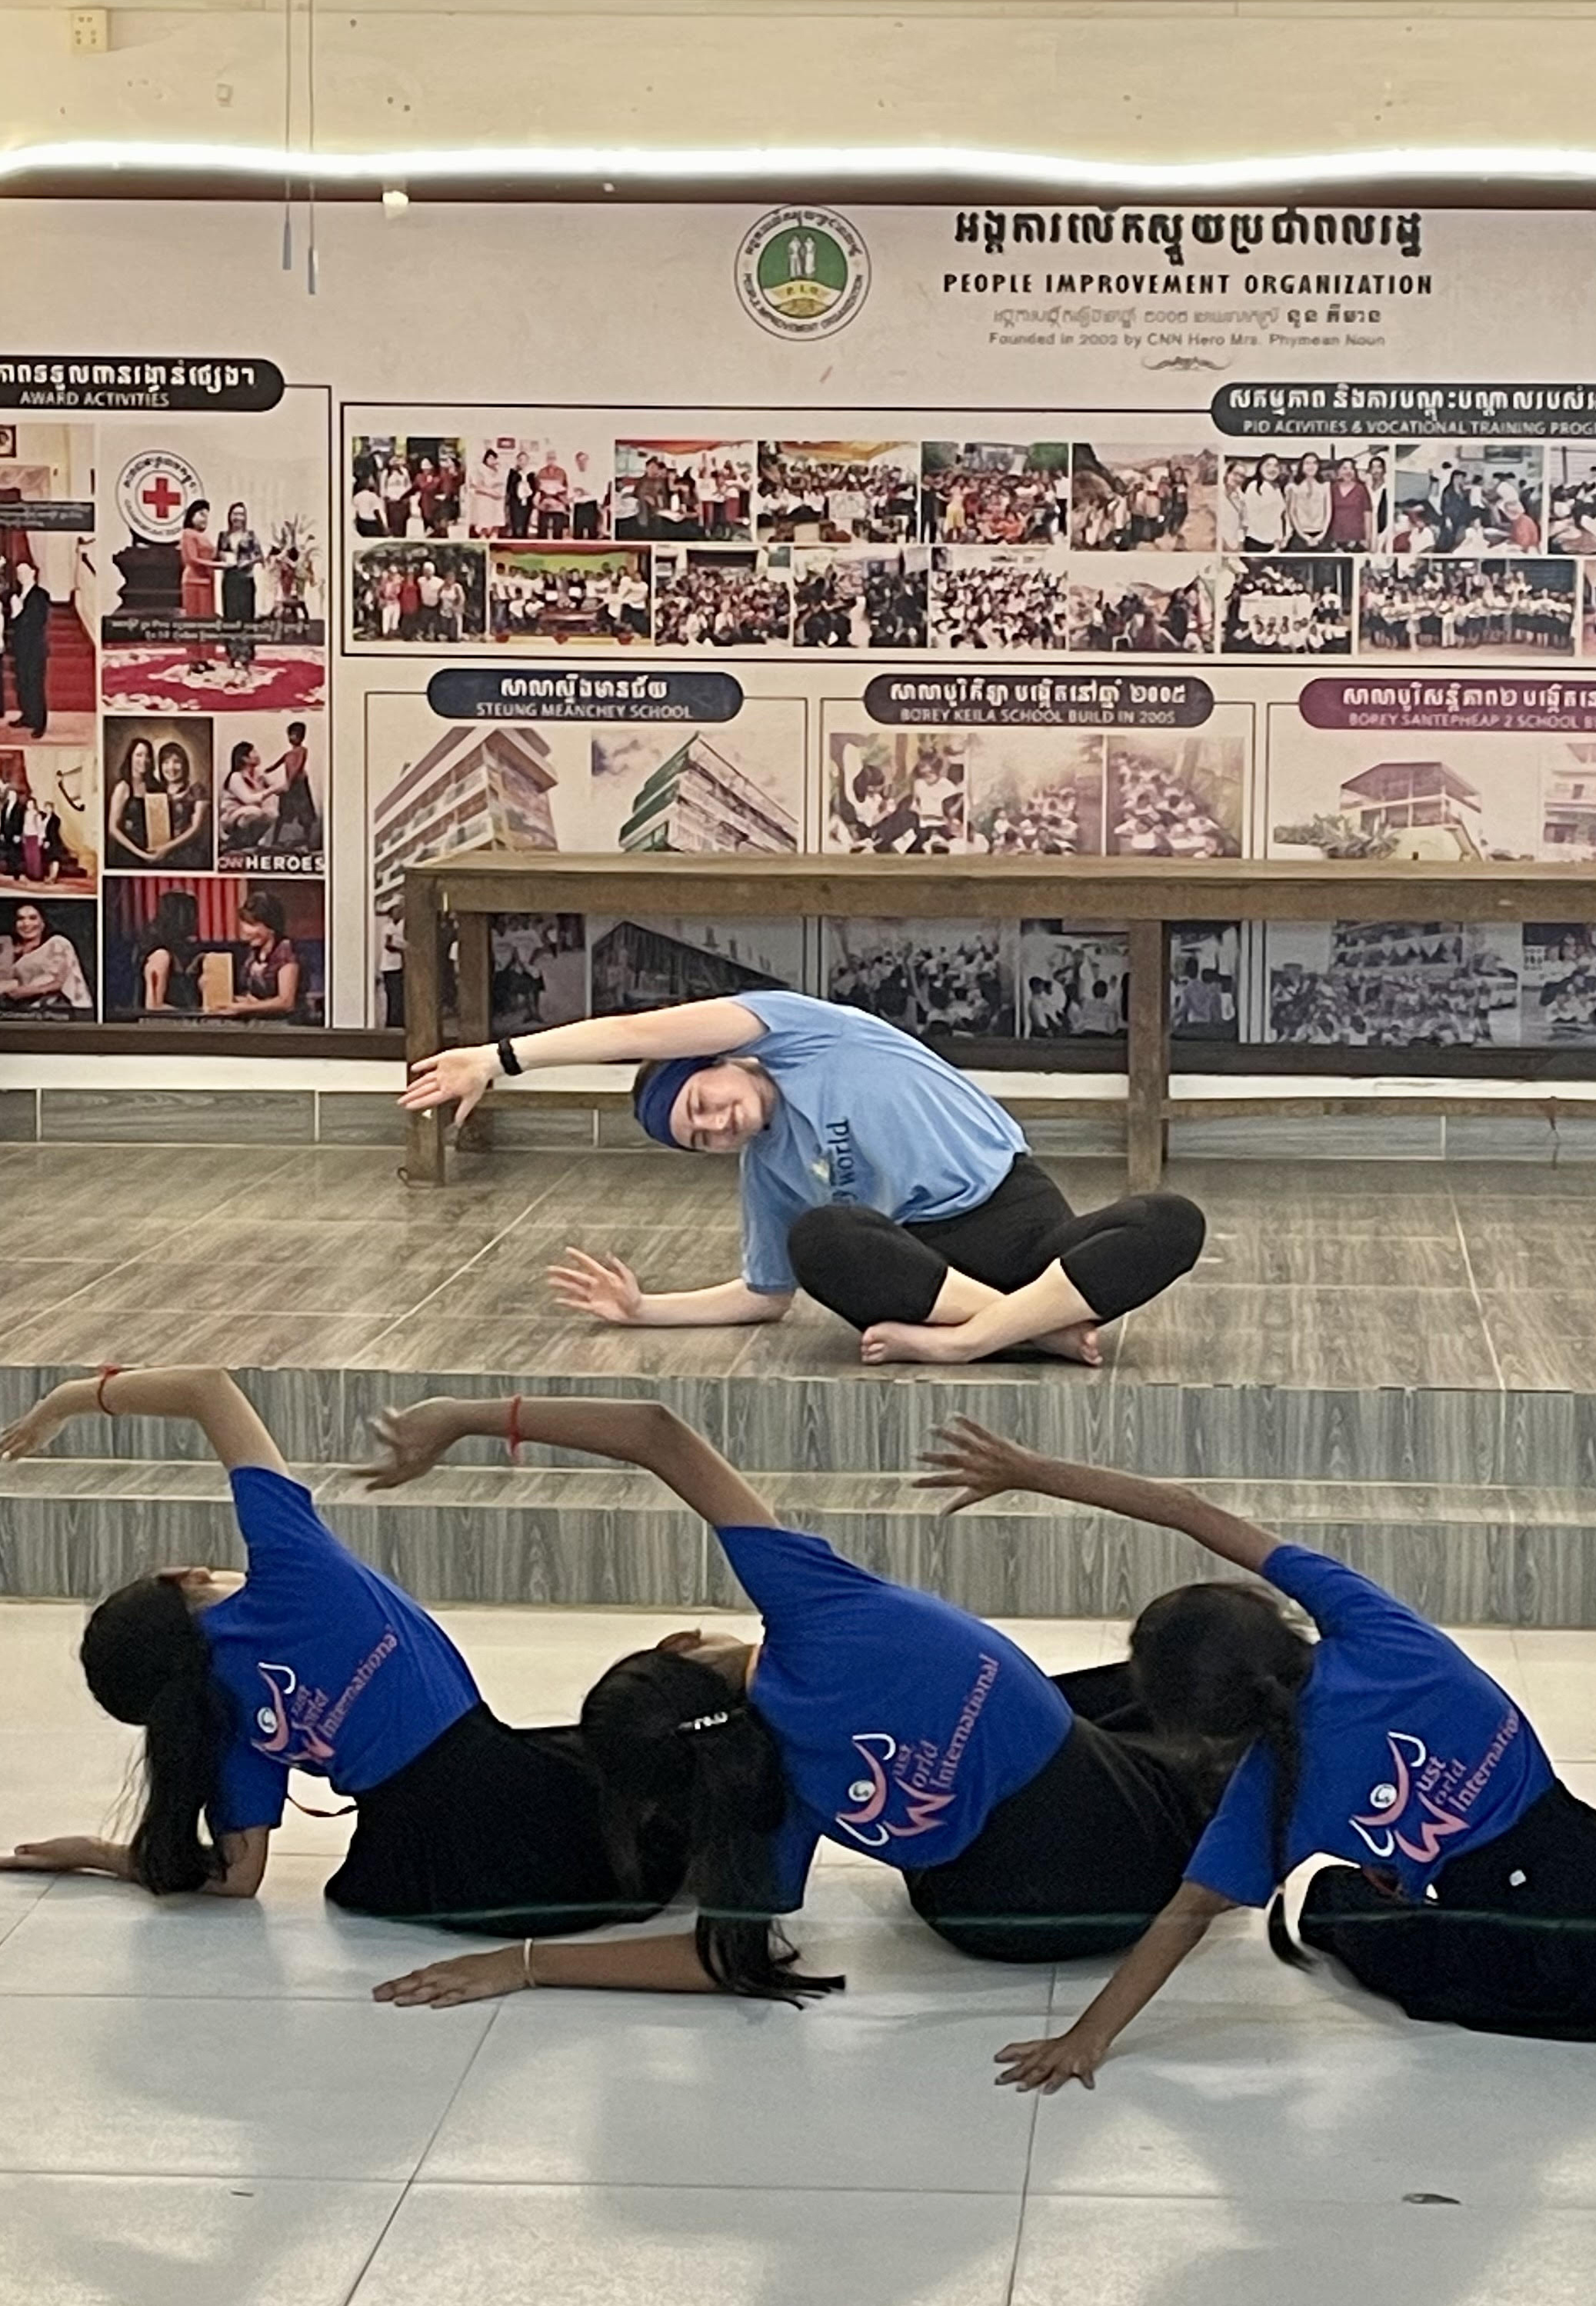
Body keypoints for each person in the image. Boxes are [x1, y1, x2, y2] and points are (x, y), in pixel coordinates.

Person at [355, 1391, 1224, 2013]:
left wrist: (525, 1963)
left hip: (998, 1921)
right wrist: (465, 1416)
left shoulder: (762, 1791)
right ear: (680, 1643)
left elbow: (725, 1957)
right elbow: (658, 1432)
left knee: (1046, 1715)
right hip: (1123, 1828)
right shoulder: (811, 1603)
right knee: (1097, 1702)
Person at [915, 1420, 1596, 2089]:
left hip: (1517, 1941)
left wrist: (1086, 2037)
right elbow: (1189, 1511)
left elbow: (1181, 1921)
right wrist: (1031, 1470)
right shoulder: (1381, 1630)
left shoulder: (1271, 1799)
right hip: (1576, 1846)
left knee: (1332, 1909)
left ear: (1199, 1727)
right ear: (1274, 1620)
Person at [0, 1368, 684, 1936]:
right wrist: (62, 1402)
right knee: (662, 1791)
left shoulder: (224, 1722)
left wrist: (101, 1854)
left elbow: (238, 1880)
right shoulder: (293, 1562)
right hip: (511, 1782)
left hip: (416, 1863)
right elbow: (209, 1389)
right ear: (185, 1576)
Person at [401, 991, 1205, 1368]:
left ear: (722, 1060)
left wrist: (498, 1059)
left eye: (702, 1103)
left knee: (1169, 1219)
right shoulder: (769, 1169)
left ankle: (975, 1342)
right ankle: (1031, 1328)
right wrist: (646, 1311)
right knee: (819, 1235)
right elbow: (764, 1294)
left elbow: (633, 1031)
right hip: (922, 1273)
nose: (714, 1126)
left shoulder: (803, 1033)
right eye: (697, 1138)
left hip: (1019, 1221)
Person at [215, 886, 302, 1020]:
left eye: (253, 924)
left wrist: (242, 1008)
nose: (245, 930)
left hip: (285, 1025)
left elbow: (286, 1002)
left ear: (271, 926)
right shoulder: (253, 952)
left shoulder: (286, 951)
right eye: (244, 923)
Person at [0, 899, 92, 1015]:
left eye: (33, 918)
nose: (26, 924)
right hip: (12, 1010)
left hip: (51, 1010)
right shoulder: (6, 945)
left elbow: (59, 982)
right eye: (21, 919)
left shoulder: (57, 944)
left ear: (43, 923)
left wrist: (30, 991)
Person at [216, 501, 264, 685]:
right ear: (230, 516)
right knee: (230, 617)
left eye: (241, 514)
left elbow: (260, 555)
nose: (238, 517)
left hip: (245, 580)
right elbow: (217, 555)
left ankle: (245, 656)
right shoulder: (223, 536)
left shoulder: (250, 536)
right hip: (229, 580)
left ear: (245, 517)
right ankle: (231, 654)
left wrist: (249, 562)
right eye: (235, 514)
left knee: (245, 617)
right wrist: (222, 558)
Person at [138, 888, 206, 1011]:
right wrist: (196, 1014)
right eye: (192, 916)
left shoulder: (178, 953)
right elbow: (154, 1007)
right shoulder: (160, 956)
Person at [5, 561, 51, 738]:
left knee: (35, 685)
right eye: (18, 573)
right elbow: (13, 625)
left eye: (24, 571)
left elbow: (37, 621)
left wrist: (19, 612)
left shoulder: (41, 595)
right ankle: (27, 717)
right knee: (22, 683)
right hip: (21, 647)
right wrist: (14, 614)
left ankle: (40, 723)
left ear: (33, 572)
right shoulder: (17, 595)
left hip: (35, 649)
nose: (21, 575)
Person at [154, 741, 212, 871]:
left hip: (189, 856)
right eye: (166, 762)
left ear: (184, 765)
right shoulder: (156, 791)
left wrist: (167, 848)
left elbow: (196, 828)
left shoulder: (197, 790)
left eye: (176, 762)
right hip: (160, 856)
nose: (171, 767)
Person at [106, 733, 160, 866]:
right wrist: (141, 854)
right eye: (139, 755)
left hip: (153, 851)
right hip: (129, 854)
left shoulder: (155, 786)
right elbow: (113, 828)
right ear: (130, 757)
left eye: (147, 756)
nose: (144, 760)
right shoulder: (123, 787)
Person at [178, 500, 218, 673]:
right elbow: (192, 560)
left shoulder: (204, 537)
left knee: (206, 621)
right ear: (191, 515)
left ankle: (204, 657)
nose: (204, 519)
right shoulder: (188, 534)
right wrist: (219, 566)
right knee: (194, 621)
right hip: (194, 582)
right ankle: (194, 659)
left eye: (207, 516)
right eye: (201, 514)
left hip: (207, 582)